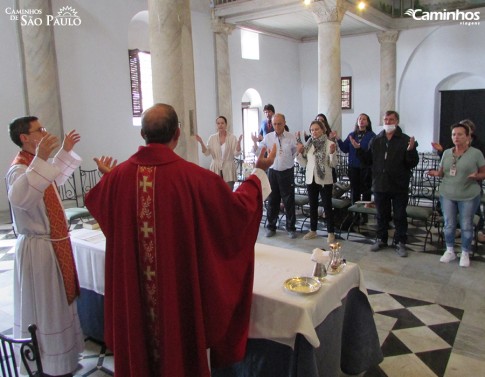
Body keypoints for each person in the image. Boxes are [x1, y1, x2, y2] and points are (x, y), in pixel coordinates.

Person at [84, 103, 276, 377]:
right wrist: (258, 173)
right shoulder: (196, 179)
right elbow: (237, 213)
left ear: (143, 135)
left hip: (136, 297)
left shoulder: (119, 177)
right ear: (177, 133)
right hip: (177, 296)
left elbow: (103, 206)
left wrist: (114, 180)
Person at [6, 116, 84, 377]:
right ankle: (49, 361)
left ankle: (66, 356)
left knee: (59, 304)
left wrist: (65, 152)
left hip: (55, 246)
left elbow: (52, 179)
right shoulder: (19, 169)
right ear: (24, 138)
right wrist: (42, 159)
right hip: (39, 249)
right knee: (47, 306)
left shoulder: (33, 165)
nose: (44, 132)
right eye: (38, 130)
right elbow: (21, 199)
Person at [352, 110, 419, 257]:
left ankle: (400, 241)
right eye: (386, 119)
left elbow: (412, 163)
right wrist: (358, 150)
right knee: (382, 214)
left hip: (398, 185)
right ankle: (381, 239)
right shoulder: (377, 140)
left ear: (397, 121)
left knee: (400, 215)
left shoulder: (405, 140)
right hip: (380, 184)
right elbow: (368, 161)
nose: (388, 122)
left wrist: (410, 151)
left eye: (391, 119)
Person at [428, 122, 485, 268]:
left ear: (468, 137)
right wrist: (435, 173)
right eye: (454, 134)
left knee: (466, 225)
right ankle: (450, 250)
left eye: (460, 134)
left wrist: (477, 176)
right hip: (447, 193)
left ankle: (465, 252)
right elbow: (442, 172)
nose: (456, 137)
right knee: (449, 224)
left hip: (468, 194)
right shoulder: (447, 153)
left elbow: (483, 173)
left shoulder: (476, 153)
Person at [252, 113, 298, 239]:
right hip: (273, 171)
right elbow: (259, 151)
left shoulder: (291, 137)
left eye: (279, 124)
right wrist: (256, 144)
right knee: (272, 200)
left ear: (284, 123)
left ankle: (291, 228)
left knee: (289, 201)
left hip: (287, 171)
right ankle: (271, 226)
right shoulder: (268, 137)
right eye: (274, 124)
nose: (277, 126)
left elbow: (295, 152)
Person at [296, 120, 338, 243]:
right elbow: (304, 164)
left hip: (325, 179)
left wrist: (332, 153)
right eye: (312, 130)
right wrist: (299, 153)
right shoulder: (308, 144)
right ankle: (313, 230)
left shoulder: (330, 143)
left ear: (323, 130)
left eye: (317, 129)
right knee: (313, 205)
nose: (314, 132)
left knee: (327, 206)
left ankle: (331, 232)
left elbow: (333, 164)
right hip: (311, 178)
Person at [332, 113, 376, 224]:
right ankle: (355, 214)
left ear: (368, 122)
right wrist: (337, 138)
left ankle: (364, 215)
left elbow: (372, 152)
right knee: (355, 191)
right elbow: (345, 149)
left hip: (366, 168)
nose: (361, 121)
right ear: (357, 121)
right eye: (360, 119)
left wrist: (359, 147)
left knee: (366, 191)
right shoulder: (352, 135)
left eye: (364, 119)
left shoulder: (371, 135)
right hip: (353, 167)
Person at [196, 115, 242, 190]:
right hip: (215, 168)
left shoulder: (232, 137)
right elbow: (207, 153)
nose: (220, 125)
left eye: (222, 123)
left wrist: (238, 145)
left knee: (228, 192)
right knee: (216, 192)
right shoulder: (212, 138)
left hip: (228, 168)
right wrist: (201, 142)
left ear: (226, 124)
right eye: (218, 123)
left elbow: (236, 153)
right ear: (216, 125)